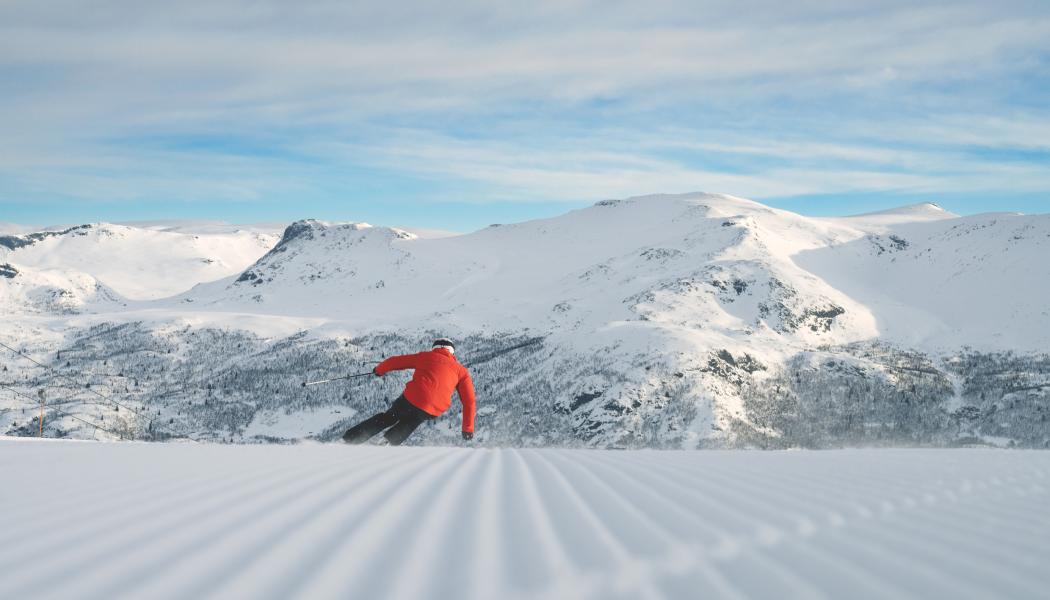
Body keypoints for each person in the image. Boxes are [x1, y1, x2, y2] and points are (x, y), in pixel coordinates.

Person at [342, 338, 476, 446]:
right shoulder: (462, 371)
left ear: (434, 348)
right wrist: (467, 429)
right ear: (452, 352)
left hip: (412, 398)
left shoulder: (425, 356)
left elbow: (394, 361)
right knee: (413, 421)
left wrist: (379, 370)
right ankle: (387, 443)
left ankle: (350, 440)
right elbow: (469, 402)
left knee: (388, 418)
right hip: (432, 409)